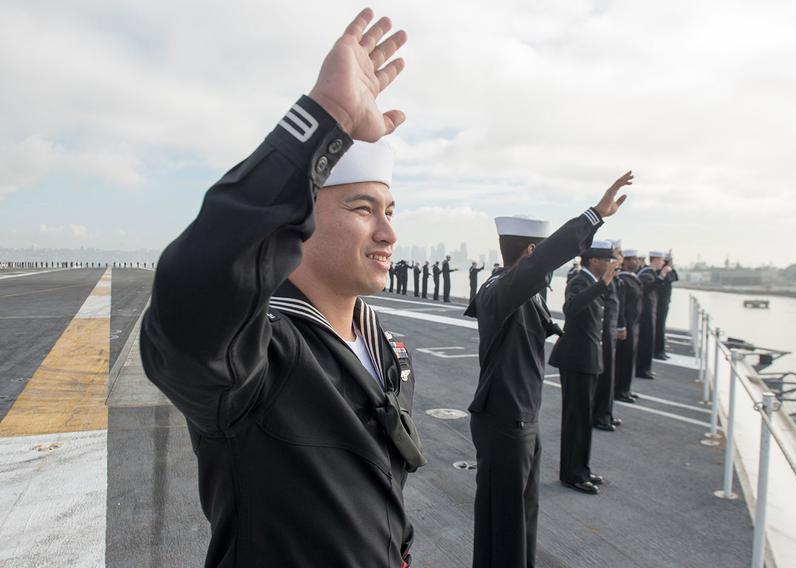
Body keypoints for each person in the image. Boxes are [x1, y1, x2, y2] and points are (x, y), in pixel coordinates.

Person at [139, 10, 425, 566]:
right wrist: (329, 116)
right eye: (363, 208)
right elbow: (194, 295)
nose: (388, 232)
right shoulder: (257, 361)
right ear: (299, 219)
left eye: (390, 210)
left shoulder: (388, 349)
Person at [465, 171, 633, 568]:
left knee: (520, 515)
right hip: (506, 419)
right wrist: (594, 215)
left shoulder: (508, 288)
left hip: (519, 416)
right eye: (538, 254)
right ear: (528, 253)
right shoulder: (503, 289)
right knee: (506, 523)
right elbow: (545, 260)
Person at [548, 241, 618, 494]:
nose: (611, 264)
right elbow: (572, 307)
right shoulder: (580, 279)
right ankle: (572, 474)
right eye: (607, 259)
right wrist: (602, 285)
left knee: (584, 419)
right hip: (577, 359)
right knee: (576, 420)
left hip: (587, 358)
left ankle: (582, 469)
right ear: (594, 261)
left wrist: (604, 285)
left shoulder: (592, 281)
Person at [592, 241, 626, 431]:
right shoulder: (600, 278)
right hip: (603, 332)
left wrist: (620, 326)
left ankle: (606, 413)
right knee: (603, 377)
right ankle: (600, 416)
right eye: (612, 257)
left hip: (610, 331)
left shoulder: (613, 276)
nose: (616, 260)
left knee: (609, 376)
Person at [636, 251, 672, 379]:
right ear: (655, 260)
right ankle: (642, 369)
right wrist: (661, 277)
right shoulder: (646, 273)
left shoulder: (651, 273)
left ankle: (646, 368)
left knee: (649, 341)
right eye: (661, 260)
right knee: (645, 342)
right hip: (645, 313)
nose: (662, 263)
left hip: (651, 312)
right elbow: (646, 289)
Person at [614, 250, 643, 403]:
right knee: (623, 360)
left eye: (637, 259)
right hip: (626, 325)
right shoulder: (623, 279)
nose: (637, 261)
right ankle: (620, 391)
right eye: (633, 259)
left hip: (633, 324)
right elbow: (621, 305)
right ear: (625, 261)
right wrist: (621, 326)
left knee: (629, 359)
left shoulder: (632, 278)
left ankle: (625, 389)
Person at [653, 251, 678, 360]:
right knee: (659, 328)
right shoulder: (660, 272)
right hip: (659, 304)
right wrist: (667, 268)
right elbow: (668, 279)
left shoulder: (668, 271)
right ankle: (658, 351)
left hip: (665, 303)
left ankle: (661, 350)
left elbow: (675, 277)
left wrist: (671, 266)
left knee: (661, 328)